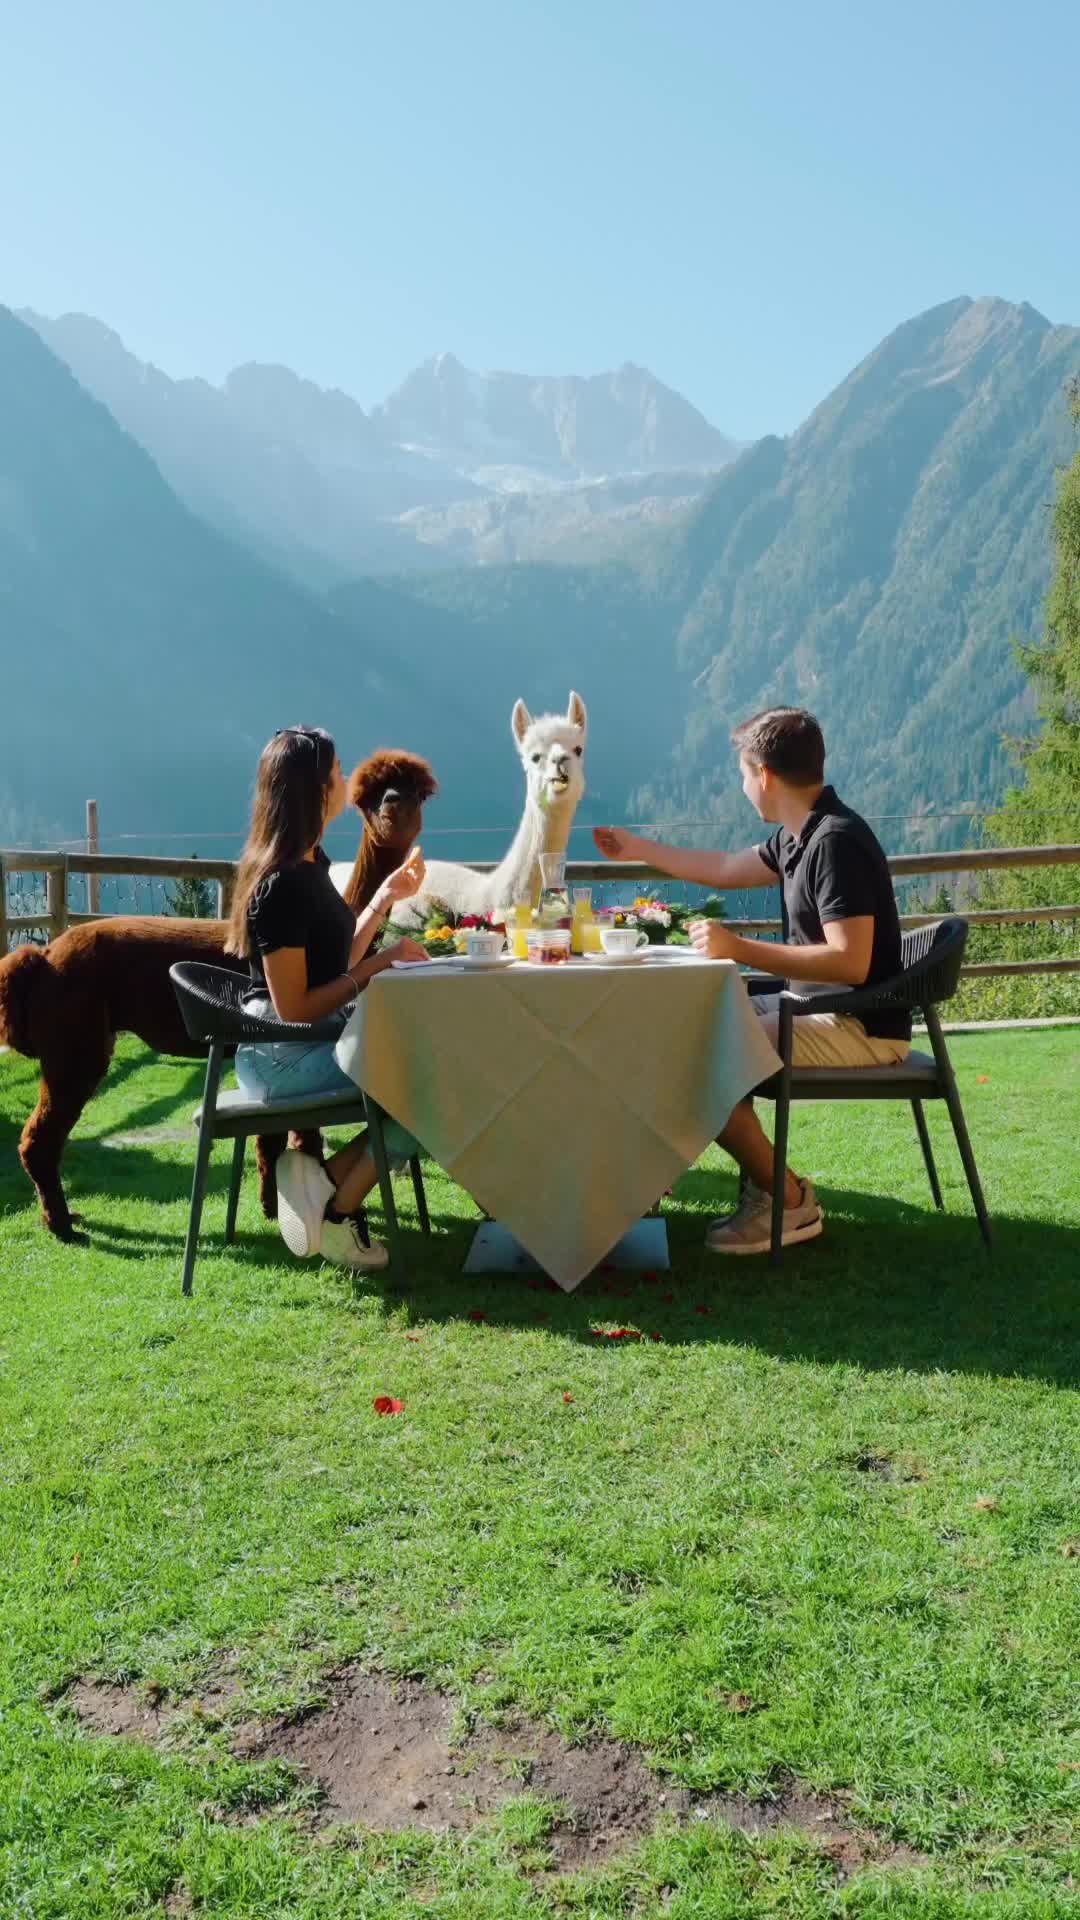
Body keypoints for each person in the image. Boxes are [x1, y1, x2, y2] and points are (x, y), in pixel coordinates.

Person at [593, 707, 909, 1255]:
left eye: (743, 774)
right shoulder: (798, 835)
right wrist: (637, 848)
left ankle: (786, 1201)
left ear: (764, 774)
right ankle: (738, 1191)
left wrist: (737, 949)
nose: (742, 786)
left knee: (702, 1062)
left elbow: (850, 961)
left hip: (859, 1025)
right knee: (688, 1039)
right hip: (817, 1010)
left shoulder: (835, 842)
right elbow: (723, 867)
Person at [224, 724, 430, 1271]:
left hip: (298, 1042)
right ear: (316, 788)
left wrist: (384, 899)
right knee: (427, 1090)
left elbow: (331, 967)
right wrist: (382, 965)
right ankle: (336, 1208)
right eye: (337, 773)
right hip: (281, 1055)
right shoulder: (284, 882)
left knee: (429, 1076)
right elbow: (294, 1008)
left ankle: (325, 1189)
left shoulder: (312, 863)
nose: (345, 781)